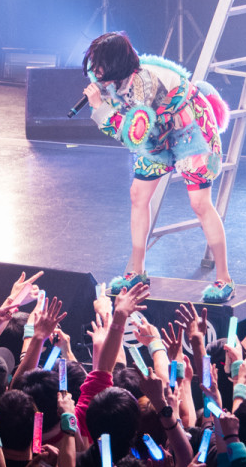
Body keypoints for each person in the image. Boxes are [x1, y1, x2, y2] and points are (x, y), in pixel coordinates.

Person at [81, 31, 235, 303]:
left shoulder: (146, 84)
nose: (96, 70)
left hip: (192, 128)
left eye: (100, 64)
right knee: (138, 195)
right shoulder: (115, 80)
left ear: (115, 63)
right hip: (158, 133)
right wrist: (103, 98)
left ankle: (224, 278)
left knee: (200, 203)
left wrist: (99, 107)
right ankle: (136, 272)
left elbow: (131, 135)